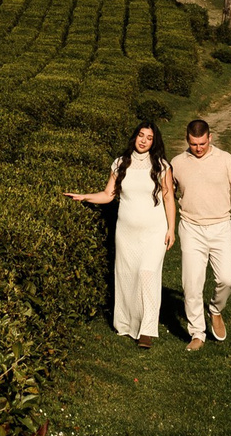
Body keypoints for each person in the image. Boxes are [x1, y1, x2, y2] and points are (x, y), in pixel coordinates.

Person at [65, 120, 176, 346]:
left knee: (147, 273)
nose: (144, 141)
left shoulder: (162, 166)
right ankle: (126, 324)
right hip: (126, 232)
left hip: (154, 231)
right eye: (141, 135)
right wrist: (84, 197)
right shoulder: (119, 164)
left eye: (149, 138)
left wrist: (172, 229)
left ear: (155, 142)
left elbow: (168, 198)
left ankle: (147, 329)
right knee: (126, 277)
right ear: (135, 136)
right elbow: (108, 194)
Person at [172, 117, 231, 350]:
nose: (198, 148)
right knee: (192, 284)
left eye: (203, 144)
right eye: (194, 144)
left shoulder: (226, 159)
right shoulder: (177, 163)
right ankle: (197, 333)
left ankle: (215, 310)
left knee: (227, 278)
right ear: (187, 140)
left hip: (220, 226)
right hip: (191, 227)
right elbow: (167, 194)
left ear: (210, 138)